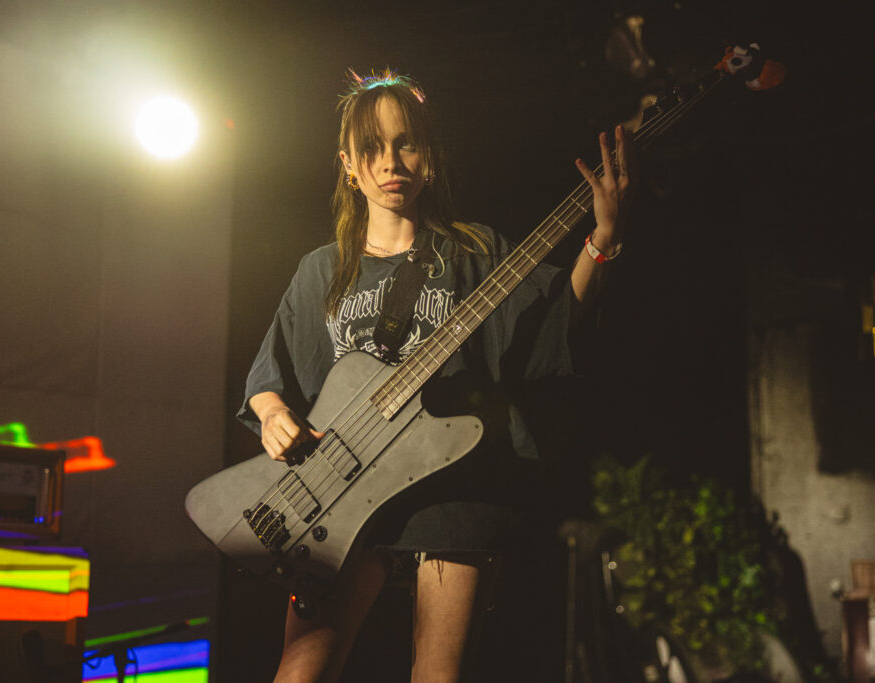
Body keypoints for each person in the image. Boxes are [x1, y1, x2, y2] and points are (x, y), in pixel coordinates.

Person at [237, 69, 636, 683]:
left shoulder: (474, 251)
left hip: (453, 485)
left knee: (438, 677)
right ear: (348, 165)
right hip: (341, 493)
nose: (390, 161)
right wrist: (273, 417)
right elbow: (269, 379)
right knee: (300, 673)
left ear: (428, 155)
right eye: (372, 147)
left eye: (406, 143)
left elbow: (559, 318)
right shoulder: (320, 271)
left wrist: (603, 238)